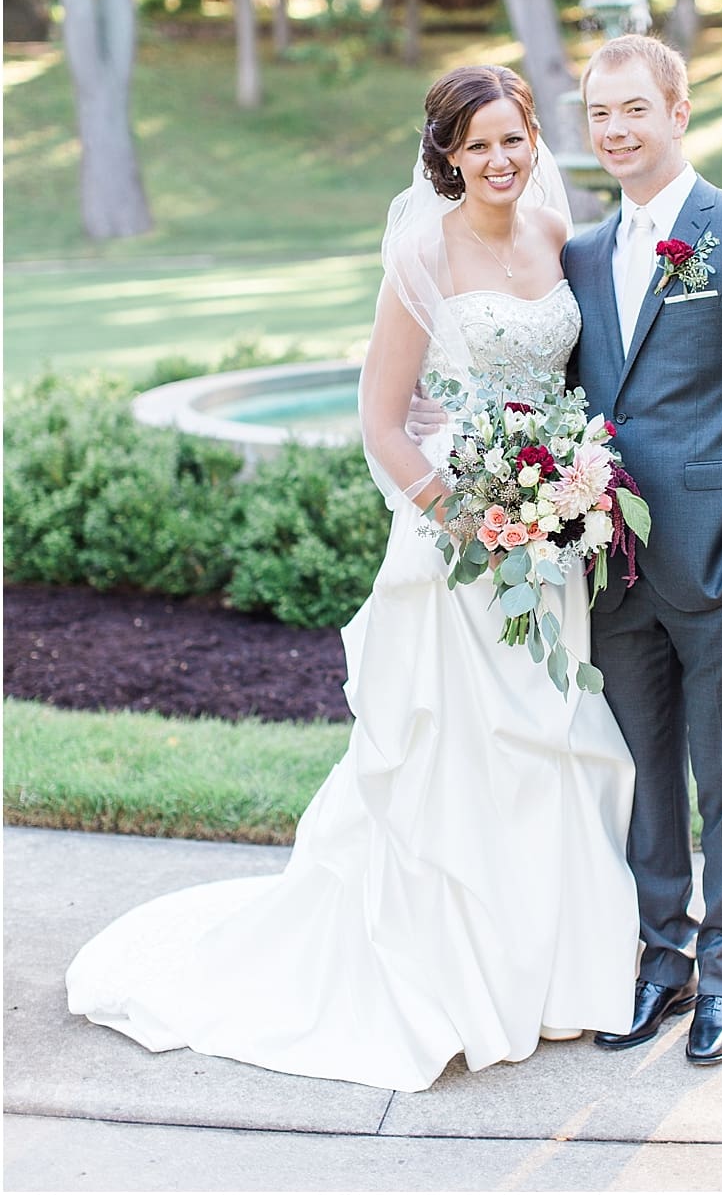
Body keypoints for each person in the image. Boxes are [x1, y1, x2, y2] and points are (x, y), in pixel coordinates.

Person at [65, 65, 641, 1092]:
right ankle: (453, 982)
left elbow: (579, 379)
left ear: (532, 139)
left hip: (547, 542)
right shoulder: (421, 250)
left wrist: (562, 494)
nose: (501, 161)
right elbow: (382, 419)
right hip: (458, 544)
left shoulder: (561, 237)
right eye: (478, 147)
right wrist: (469, 517)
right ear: (448, 158)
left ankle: (555, 975)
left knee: (551, 739)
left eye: (514, 139)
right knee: (458, 750)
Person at [561, 34, 722, 1065]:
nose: (617, 130)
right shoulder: (580, 255)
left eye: (635, 109)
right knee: (641, 779)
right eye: (601, 114)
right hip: (612, 566)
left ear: (678, 111)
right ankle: (661, 958)